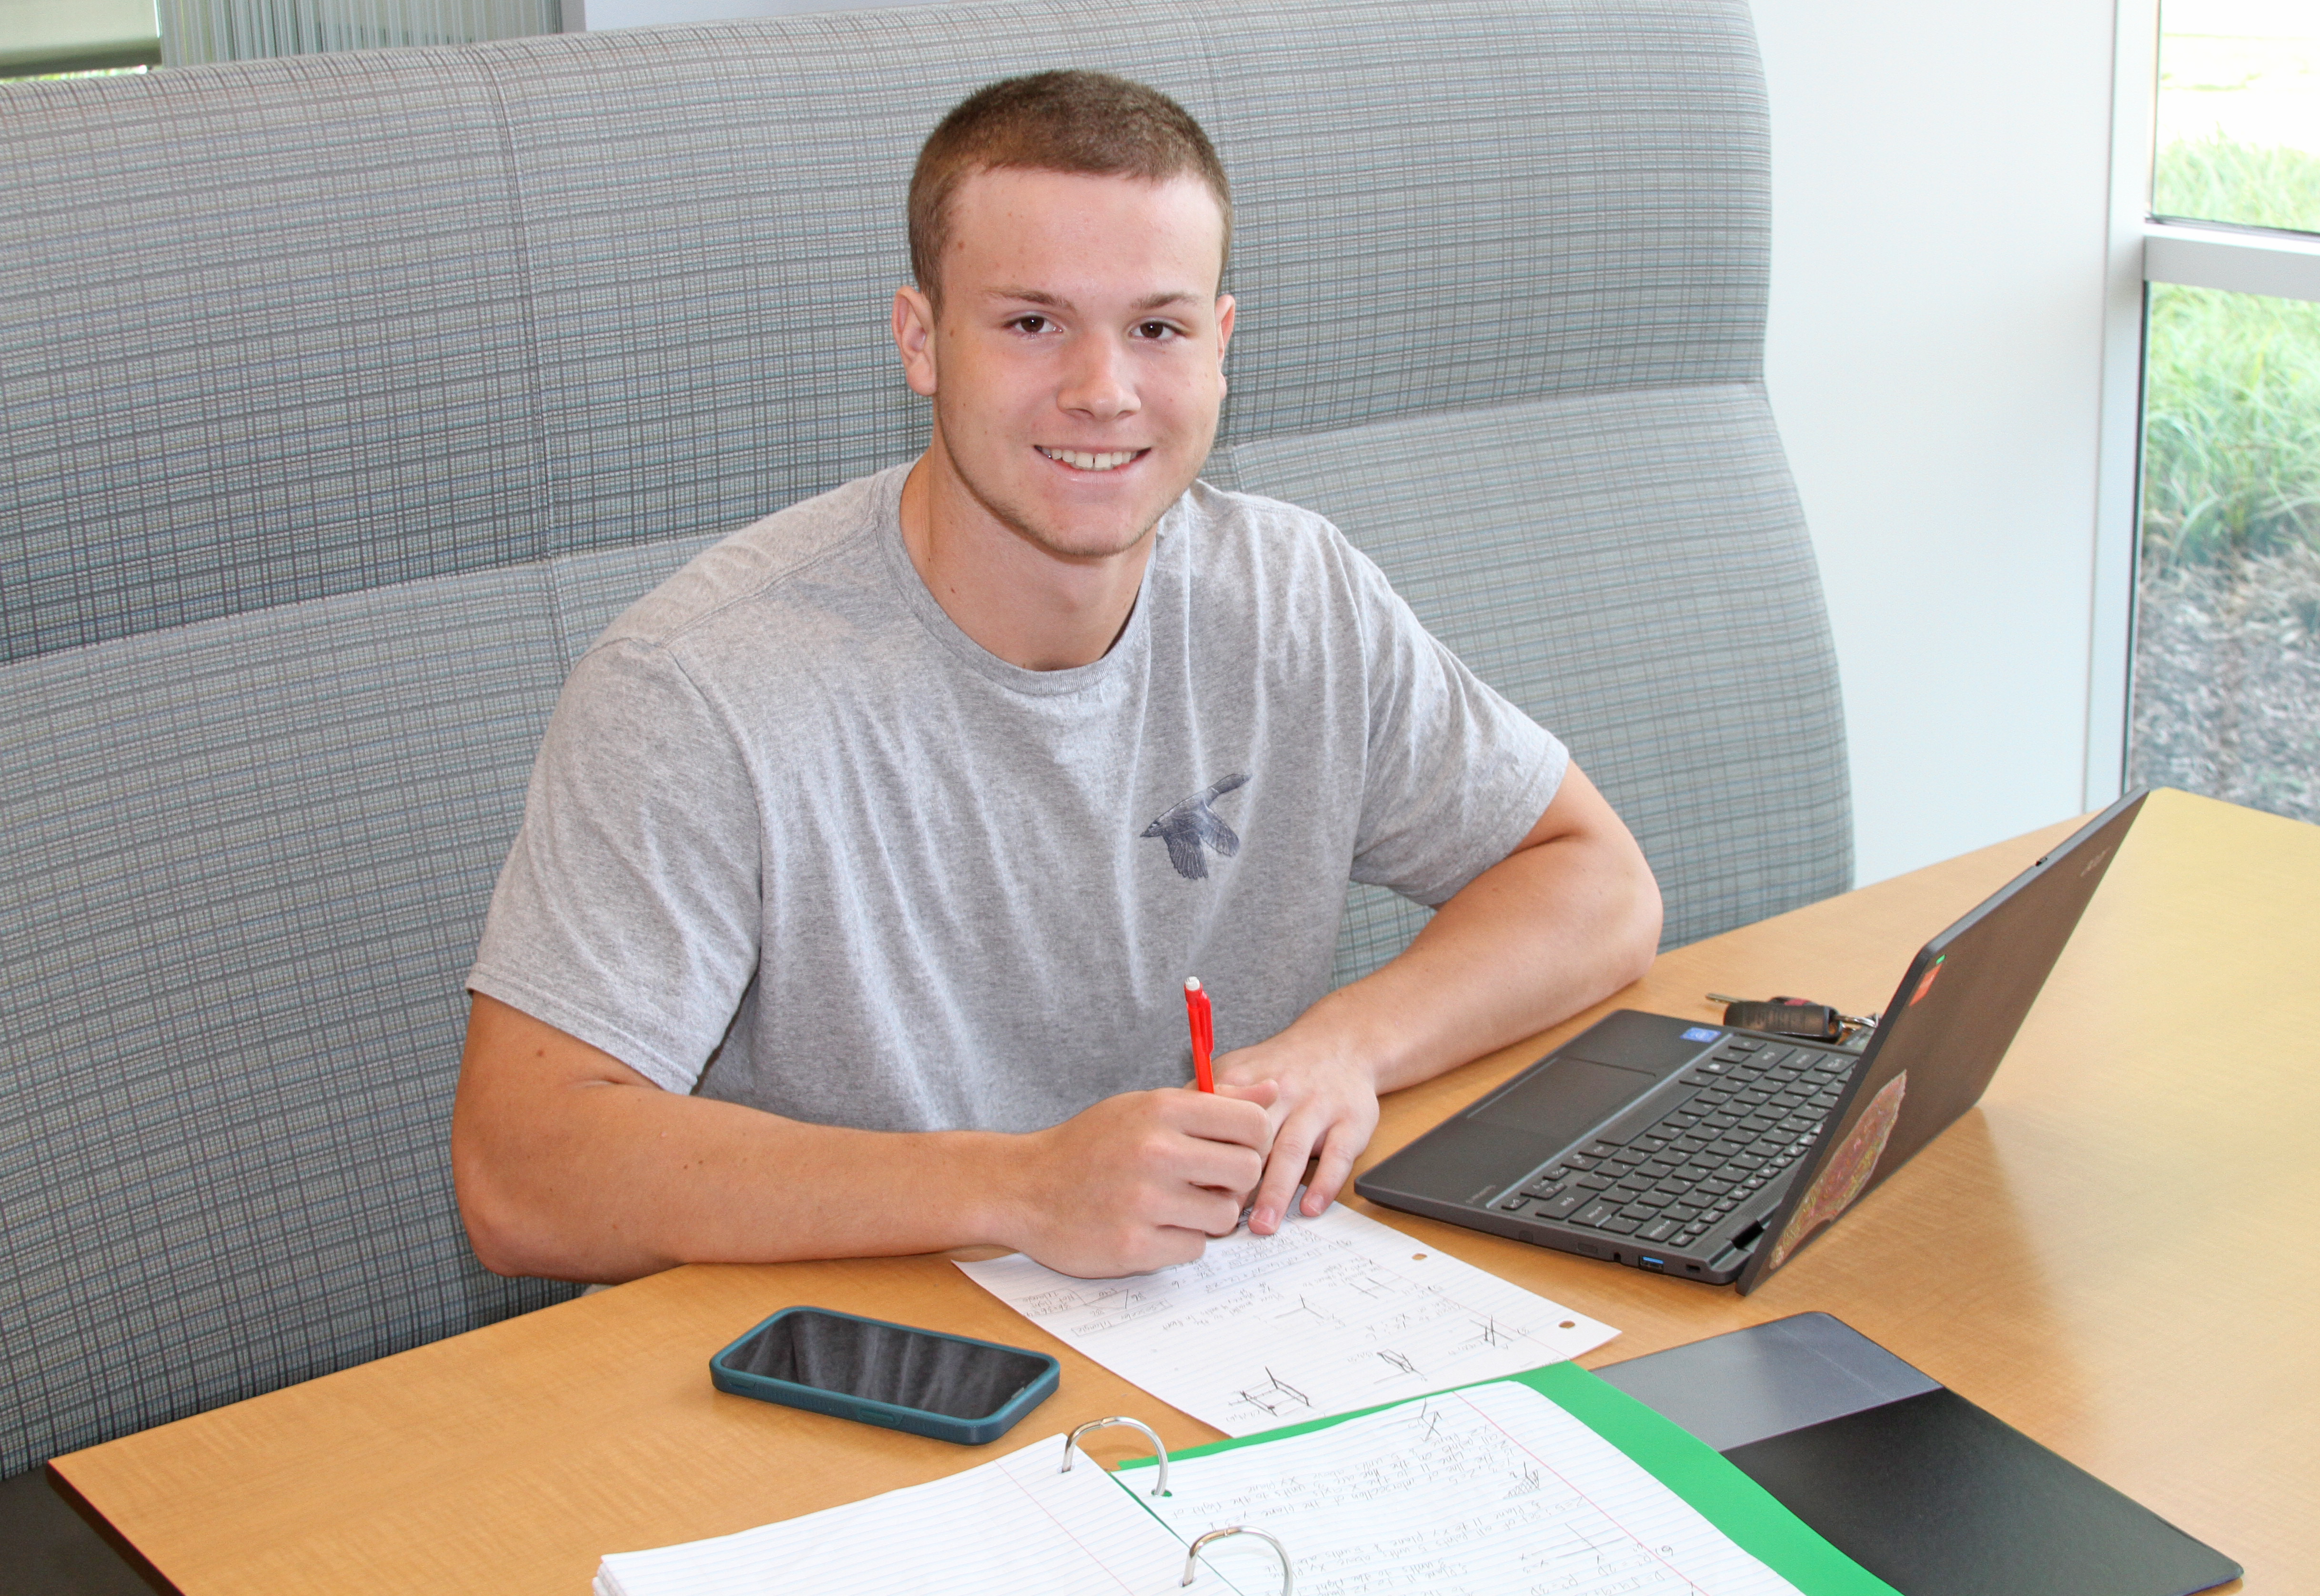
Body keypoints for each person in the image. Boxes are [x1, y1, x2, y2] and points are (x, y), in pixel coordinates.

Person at [451, 70, 1661, 1285]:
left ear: (1222, 347)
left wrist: (1340, 1050)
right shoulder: (698, 687)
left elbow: (1594, 883)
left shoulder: (1297, 595)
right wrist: (1023, 1187)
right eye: (1033, 323)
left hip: (1225, 1317)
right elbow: (521, 1171)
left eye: (1159, 328)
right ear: (921, 341)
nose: (1104, 390)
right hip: (871, 1353)